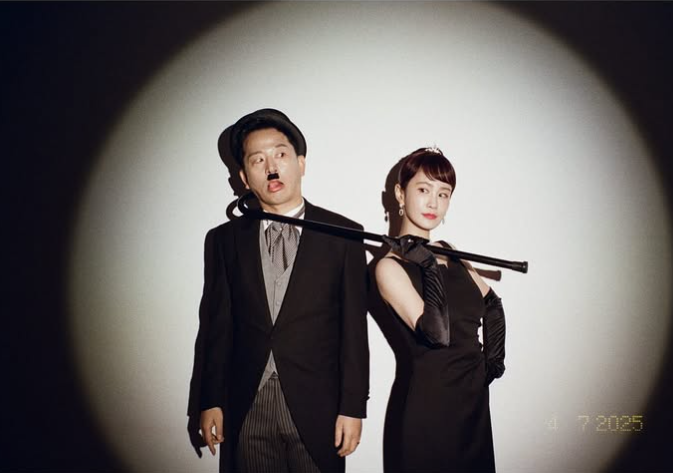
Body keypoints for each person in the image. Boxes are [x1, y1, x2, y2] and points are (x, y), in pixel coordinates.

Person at [197, 109, 369, 473]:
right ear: (244, 178)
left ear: (301, 163)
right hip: (248, 404)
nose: (271, 168)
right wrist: (210, 399)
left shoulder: (344, 236)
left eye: (280, 154)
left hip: (319, 408)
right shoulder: (224, 241)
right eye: (258, 160)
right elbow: (217, 326)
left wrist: (353, 407)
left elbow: (354, 331)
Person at [374, 147, 506, 473]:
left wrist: (491, 364)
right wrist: (427, 264)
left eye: (443, 194)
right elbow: (437, 334)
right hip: (431, 408)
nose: (433, 202)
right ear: (400, 194)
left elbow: (492, 304)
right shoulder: (388, 267)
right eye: (423, 190)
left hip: (473, 404)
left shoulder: (450, 250)